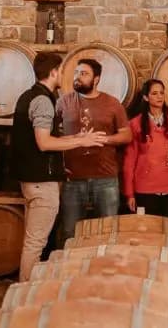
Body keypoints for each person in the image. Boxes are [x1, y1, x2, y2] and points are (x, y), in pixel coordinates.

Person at [10, 51, 106, 281]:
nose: (64, 74)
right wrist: (80, 141)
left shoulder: (28, 96)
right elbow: (44, 143)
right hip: (42, 183)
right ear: (53, 72)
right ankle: (25, 292)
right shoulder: (43, 101)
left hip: (33, 179)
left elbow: (42, 141)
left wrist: (73, 143)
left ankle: (26, 289)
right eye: (62, 70)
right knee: (35, 243)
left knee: (33, 241)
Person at [55, 58, 133, 245]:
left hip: (105, 179)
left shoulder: (112, 103)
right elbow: (51, 135)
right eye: (76, 73)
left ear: (96, 79)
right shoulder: (63, 102)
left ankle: (102, 270)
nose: (77, 77)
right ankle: (68, 271)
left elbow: (127, 135)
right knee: (69, 231)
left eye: (84, 74)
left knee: (107, 232)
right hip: (72, 179)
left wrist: (104, 139)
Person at [123, 78, 168, 218]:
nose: (159, 96)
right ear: (146, 97)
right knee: (149, 234)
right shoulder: (135, 124)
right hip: (146, 188)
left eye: (161, 93)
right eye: (154, 93)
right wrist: (129, 193)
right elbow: (129, 162)